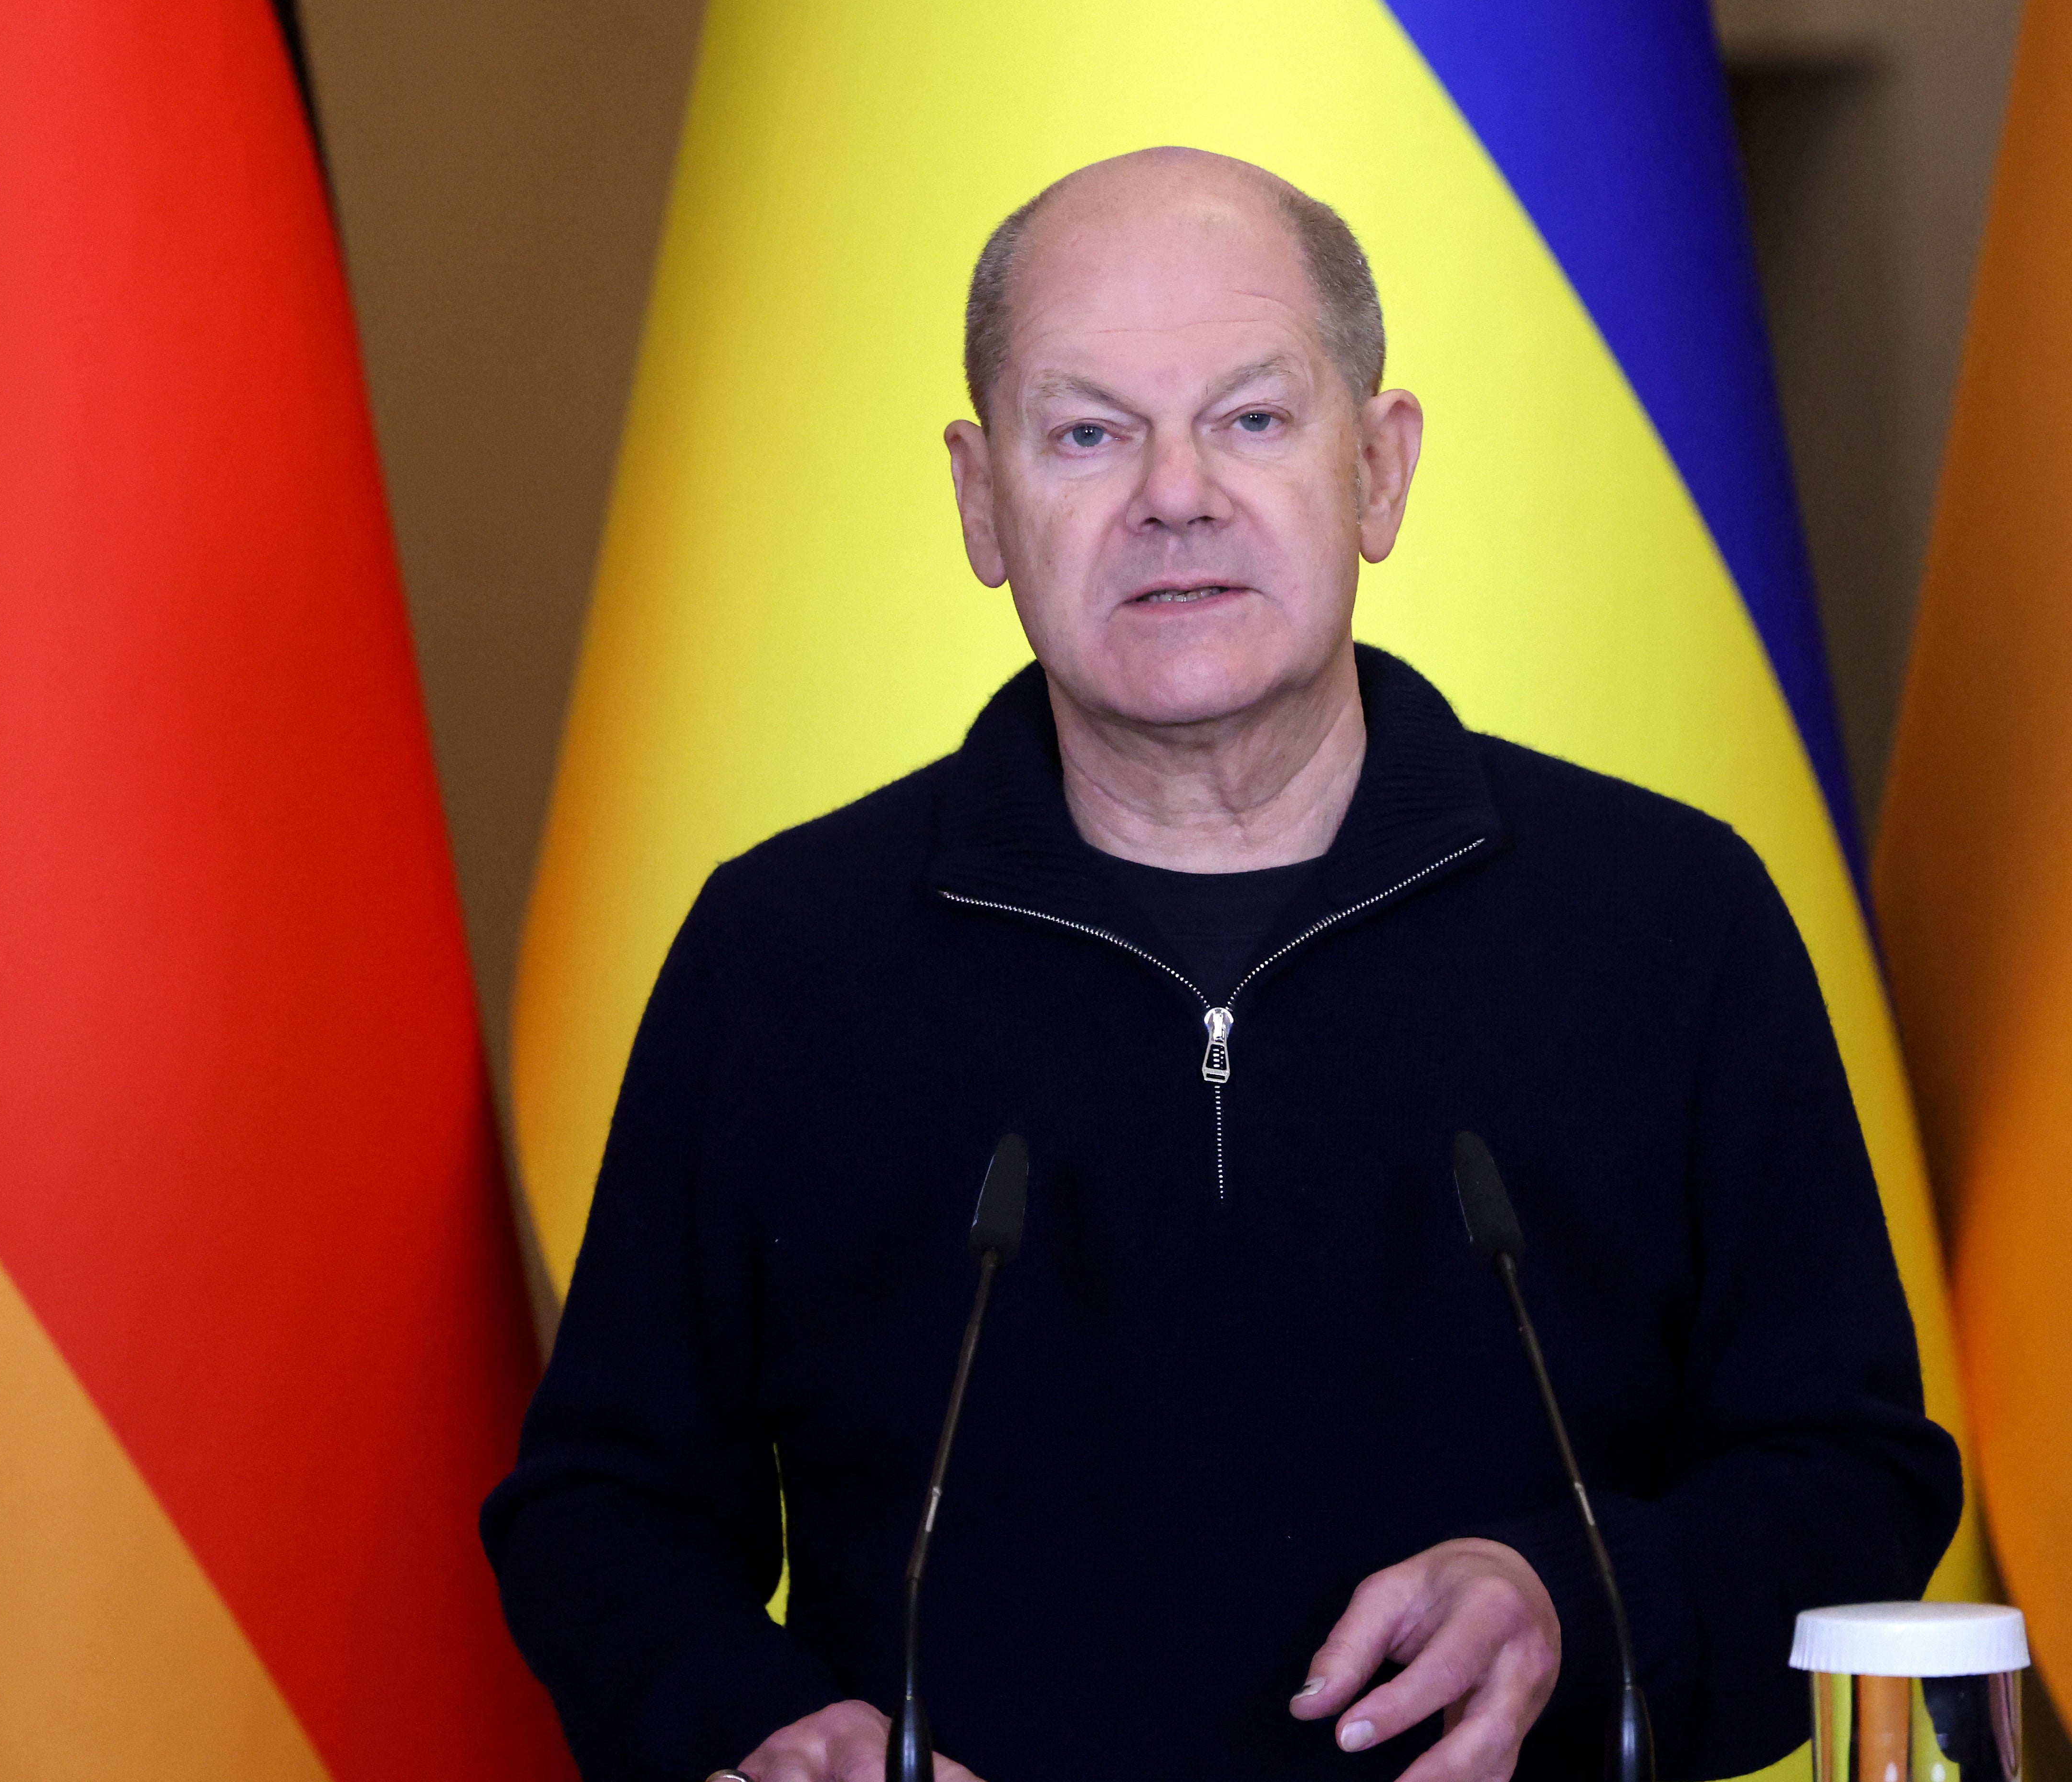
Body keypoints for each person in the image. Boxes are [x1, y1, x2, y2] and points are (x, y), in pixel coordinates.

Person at [483, 147, 1959, 1782]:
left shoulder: (1670, 918)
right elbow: (604, 1513)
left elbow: (1851, 1486)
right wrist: (767, 1729)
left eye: (1254, 418)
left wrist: (1574, 1597)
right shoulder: (783, 954)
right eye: (1089, 432)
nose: (1173, 493)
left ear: (1380, 469)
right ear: (982, 501)